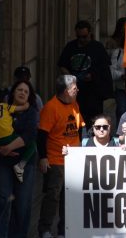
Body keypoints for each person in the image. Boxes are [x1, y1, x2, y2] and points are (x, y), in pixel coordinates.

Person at [0, 80, 39, 238]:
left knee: (22, 204)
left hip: (24, 164)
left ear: (29, 96)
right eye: (19, 89)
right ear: (13, 93)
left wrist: (8, 147)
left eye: (26, 91)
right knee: (3, 198)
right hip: (2, 161)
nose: (22, 93)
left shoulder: (31, 112)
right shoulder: (0, 109)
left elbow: (30, 135)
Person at [38, 75, 84, 238]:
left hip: (73, 159)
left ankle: (64, 230)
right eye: (74, 88)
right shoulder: (51, 108)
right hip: (56, 160)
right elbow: (41, 135)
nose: (77, 90)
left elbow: (79, 128)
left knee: (69, 196)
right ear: (66, 91)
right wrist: (43, 158)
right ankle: (45, 229)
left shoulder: (74, 104)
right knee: (53, 195)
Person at [57, 20, 114, 126]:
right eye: (79, 37)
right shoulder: (71, 47)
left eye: (84, 36)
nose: (82, 40)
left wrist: (93, 76)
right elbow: (62, 65)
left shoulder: (97, 47)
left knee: (94, 121)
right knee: (75, 120)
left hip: (94, 93)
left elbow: (105, 68)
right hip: (75, 92)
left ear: (90, 33)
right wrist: (71, 78)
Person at [0, 86, 34, 182]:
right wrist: (28, 103)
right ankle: (20, 166)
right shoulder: (5, 107)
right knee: (32, 144)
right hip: (8, 137)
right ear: (4, 99)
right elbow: (23, 108)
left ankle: (9, 151)